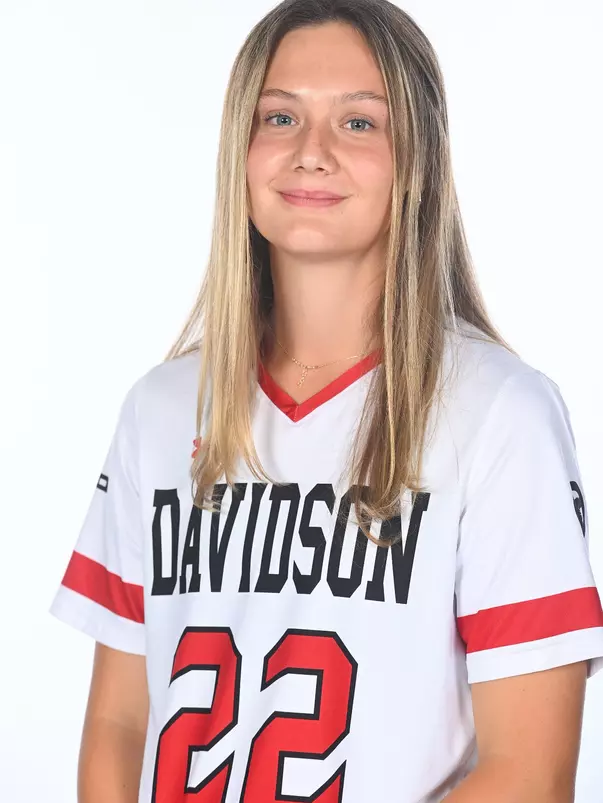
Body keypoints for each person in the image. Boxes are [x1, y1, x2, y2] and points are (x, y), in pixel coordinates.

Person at [49, 1, 603, 801]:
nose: (310, 154)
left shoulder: (499, 412)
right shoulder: (162, 407)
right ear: (238, 149)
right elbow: (120, 723)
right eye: (279, 116)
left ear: (417, 159)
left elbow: (529, 770)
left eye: (358, 124)